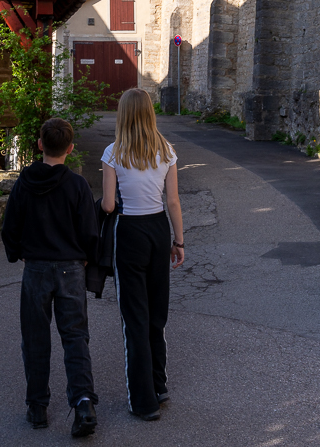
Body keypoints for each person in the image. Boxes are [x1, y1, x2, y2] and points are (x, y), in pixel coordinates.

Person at [1, 117, 100, 438]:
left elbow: (10, 227)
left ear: (40, 144)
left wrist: (18, 253)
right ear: (70, 149)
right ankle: (83, 403)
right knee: (75, 337)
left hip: (37, 269)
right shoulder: (77, 185)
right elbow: (90, 230)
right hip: (71, 268)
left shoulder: (24, 184)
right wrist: (86, 256)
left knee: (35, 338)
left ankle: (37, 406)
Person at [101, 88, 184, 422]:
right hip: (158, 229)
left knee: (134, 317)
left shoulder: (113, 153)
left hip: (129, 232)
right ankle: (159, 385)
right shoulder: (166, 151)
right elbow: (173, 201)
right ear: (150, 113)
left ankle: (143, 401)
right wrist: (179, 242)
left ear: (123, 114)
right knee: (156, 313)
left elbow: (109, 205)